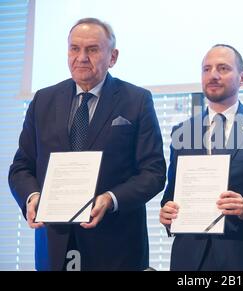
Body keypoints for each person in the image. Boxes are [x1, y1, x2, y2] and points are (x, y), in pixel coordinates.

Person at [8, 18, 166, 271]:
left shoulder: (136, 100)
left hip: (116, 248)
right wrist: (32, 196)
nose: (81, 57)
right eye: (74, 48)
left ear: (112, 57)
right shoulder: (43, 100)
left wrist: (110, 198)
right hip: (54, 246)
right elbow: (21, 166)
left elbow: (154, 173)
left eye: (92, 49)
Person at [159, 44, 243, 271]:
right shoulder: (182, 131)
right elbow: (172, 194)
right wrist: (167, 212)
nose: (213, 75)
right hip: (188, 259)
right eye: (206, 69)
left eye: (223, 68)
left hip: (242, 256)